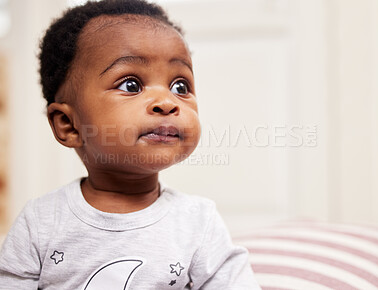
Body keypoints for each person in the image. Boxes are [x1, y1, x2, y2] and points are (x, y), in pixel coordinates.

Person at [0, 0, 260, 289]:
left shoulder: (198, 222)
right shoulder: (42, 222)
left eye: (180, 87)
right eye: (131, 85)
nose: (166, 102)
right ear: (68, 125)